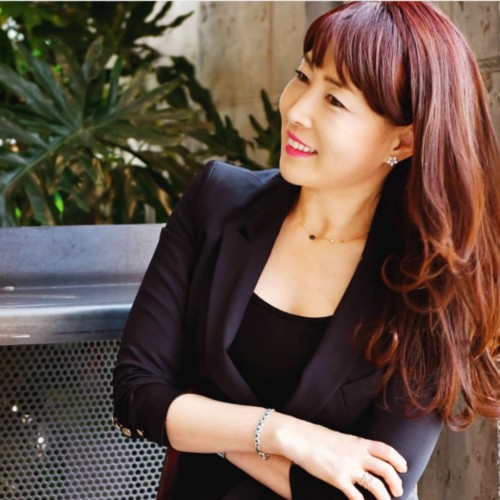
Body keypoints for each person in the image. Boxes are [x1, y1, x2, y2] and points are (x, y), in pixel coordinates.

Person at [112, 2, 500, 499]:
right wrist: (286, 435)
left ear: (403, 142)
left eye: (334, 100)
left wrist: (202, 420)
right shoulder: (216, 203)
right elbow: (137, 394)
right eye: (302, 76)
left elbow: (372, 492)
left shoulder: (429, 282)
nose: (296, 110)